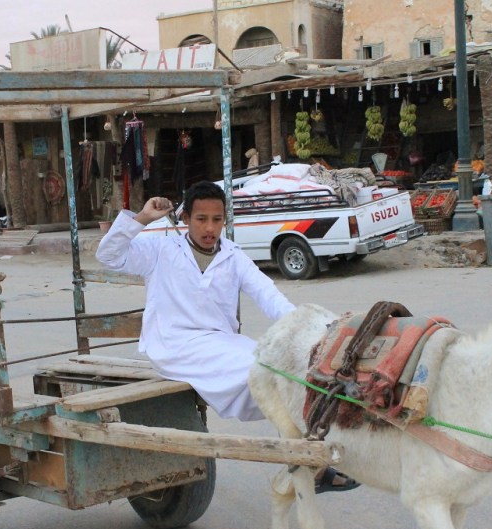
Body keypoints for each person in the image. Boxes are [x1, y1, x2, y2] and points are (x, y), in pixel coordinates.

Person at [96, 181, 359, 492]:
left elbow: (267, 294)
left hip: (220, 343)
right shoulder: (161, 250)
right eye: (201, 219)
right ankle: (304, 461)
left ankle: (304, 456)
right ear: (186, 219)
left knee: (281, 363)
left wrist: (309, 326)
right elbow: (109, 255)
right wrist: (142, 218)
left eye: (217, 220)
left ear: (225, 220)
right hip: (173, 345)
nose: (210, 228)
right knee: (264, 372)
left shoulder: (232, 255)